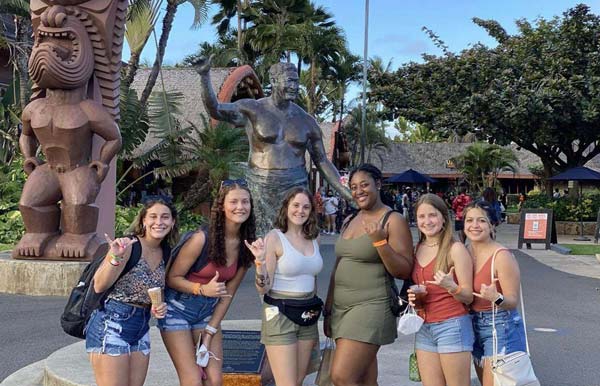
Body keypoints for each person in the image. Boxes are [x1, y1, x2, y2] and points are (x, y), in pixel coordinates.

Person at [194, 57, 352, 234]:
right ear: (274, 81)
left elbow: (322, 161)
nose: (294, 86)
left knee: (294, 237)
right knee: (260, 239)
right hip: (260, 184)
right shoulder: (252, 109)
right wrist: (204, 76)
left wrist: (345, 192)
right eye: (290, 81)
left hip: (296, 184)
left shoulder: (307, 121)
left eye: (297, 82)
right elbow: (215, 109)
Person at [158, 181, 256, 386]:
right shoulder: (201, 239)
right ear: (222, 206)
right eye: (234, 201)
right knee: (193, 380)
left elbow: (228, 294)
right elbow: (172, 278)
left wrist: (211, 330)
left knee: (214, 380)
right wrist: (201, 289)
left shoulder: (246, 244)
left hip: (207, 313)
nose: (240, 207)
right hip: (178, 309)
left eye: (245, 201)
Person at [324, 163, 413, 386]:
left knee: (341, 376)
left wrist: (380, 241)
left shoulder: (393, 220)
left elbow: (403, 270)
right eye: (353, 187)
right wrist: (328, 308)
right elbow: (338, 266)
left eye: (364, 185)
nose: (358, 191)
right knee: (363, 379)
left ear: (378, 184)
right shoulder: (349, 220)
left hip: (371, 307)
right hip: (342, 309)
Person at [85, 197, 178, 386]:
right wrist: (115, 257)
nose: (159, 222)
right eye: (153, 216)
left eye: (165, 217)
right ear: (143, 220)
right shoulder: (128, 246)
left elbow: (153, 290)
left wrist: (157, 307)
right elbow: (99, 285)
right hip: (111, 323)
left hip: (141, 325)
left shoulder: (166, 252)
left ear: (173, 222)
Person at [245, 187, 323, 386]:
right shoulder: (275, 237)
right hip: (280, 312)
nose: (300, 211)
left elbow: (313, 278)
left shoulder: (315, 237)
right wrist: (260, 262)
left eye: (306, 207)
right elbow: (263, 288)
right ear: (286, 208)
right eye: (295, 205)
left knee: (297, 380)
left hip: (308, 313)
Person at [407, 193, 474, 386]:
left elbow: (468, 296)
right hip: (423, 326)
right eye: (422, 216)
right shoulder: (417, 247)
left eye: (432, 215)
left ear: (444, 218)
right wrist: (412, 297)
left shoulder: (456, 249)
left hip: (452, 325)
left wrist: (451, 286)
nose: (427, 221)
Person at [463, 200, 529, 386]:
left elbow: (512, 300)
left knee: (496, 382)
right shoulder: (464, 252)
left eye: (482, 221)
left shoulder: (502, 256)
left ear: (492, 224)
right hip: (471, 323)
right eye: (469, 220)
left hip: (500, 325)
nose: (474, 225)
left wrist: (496, 297)